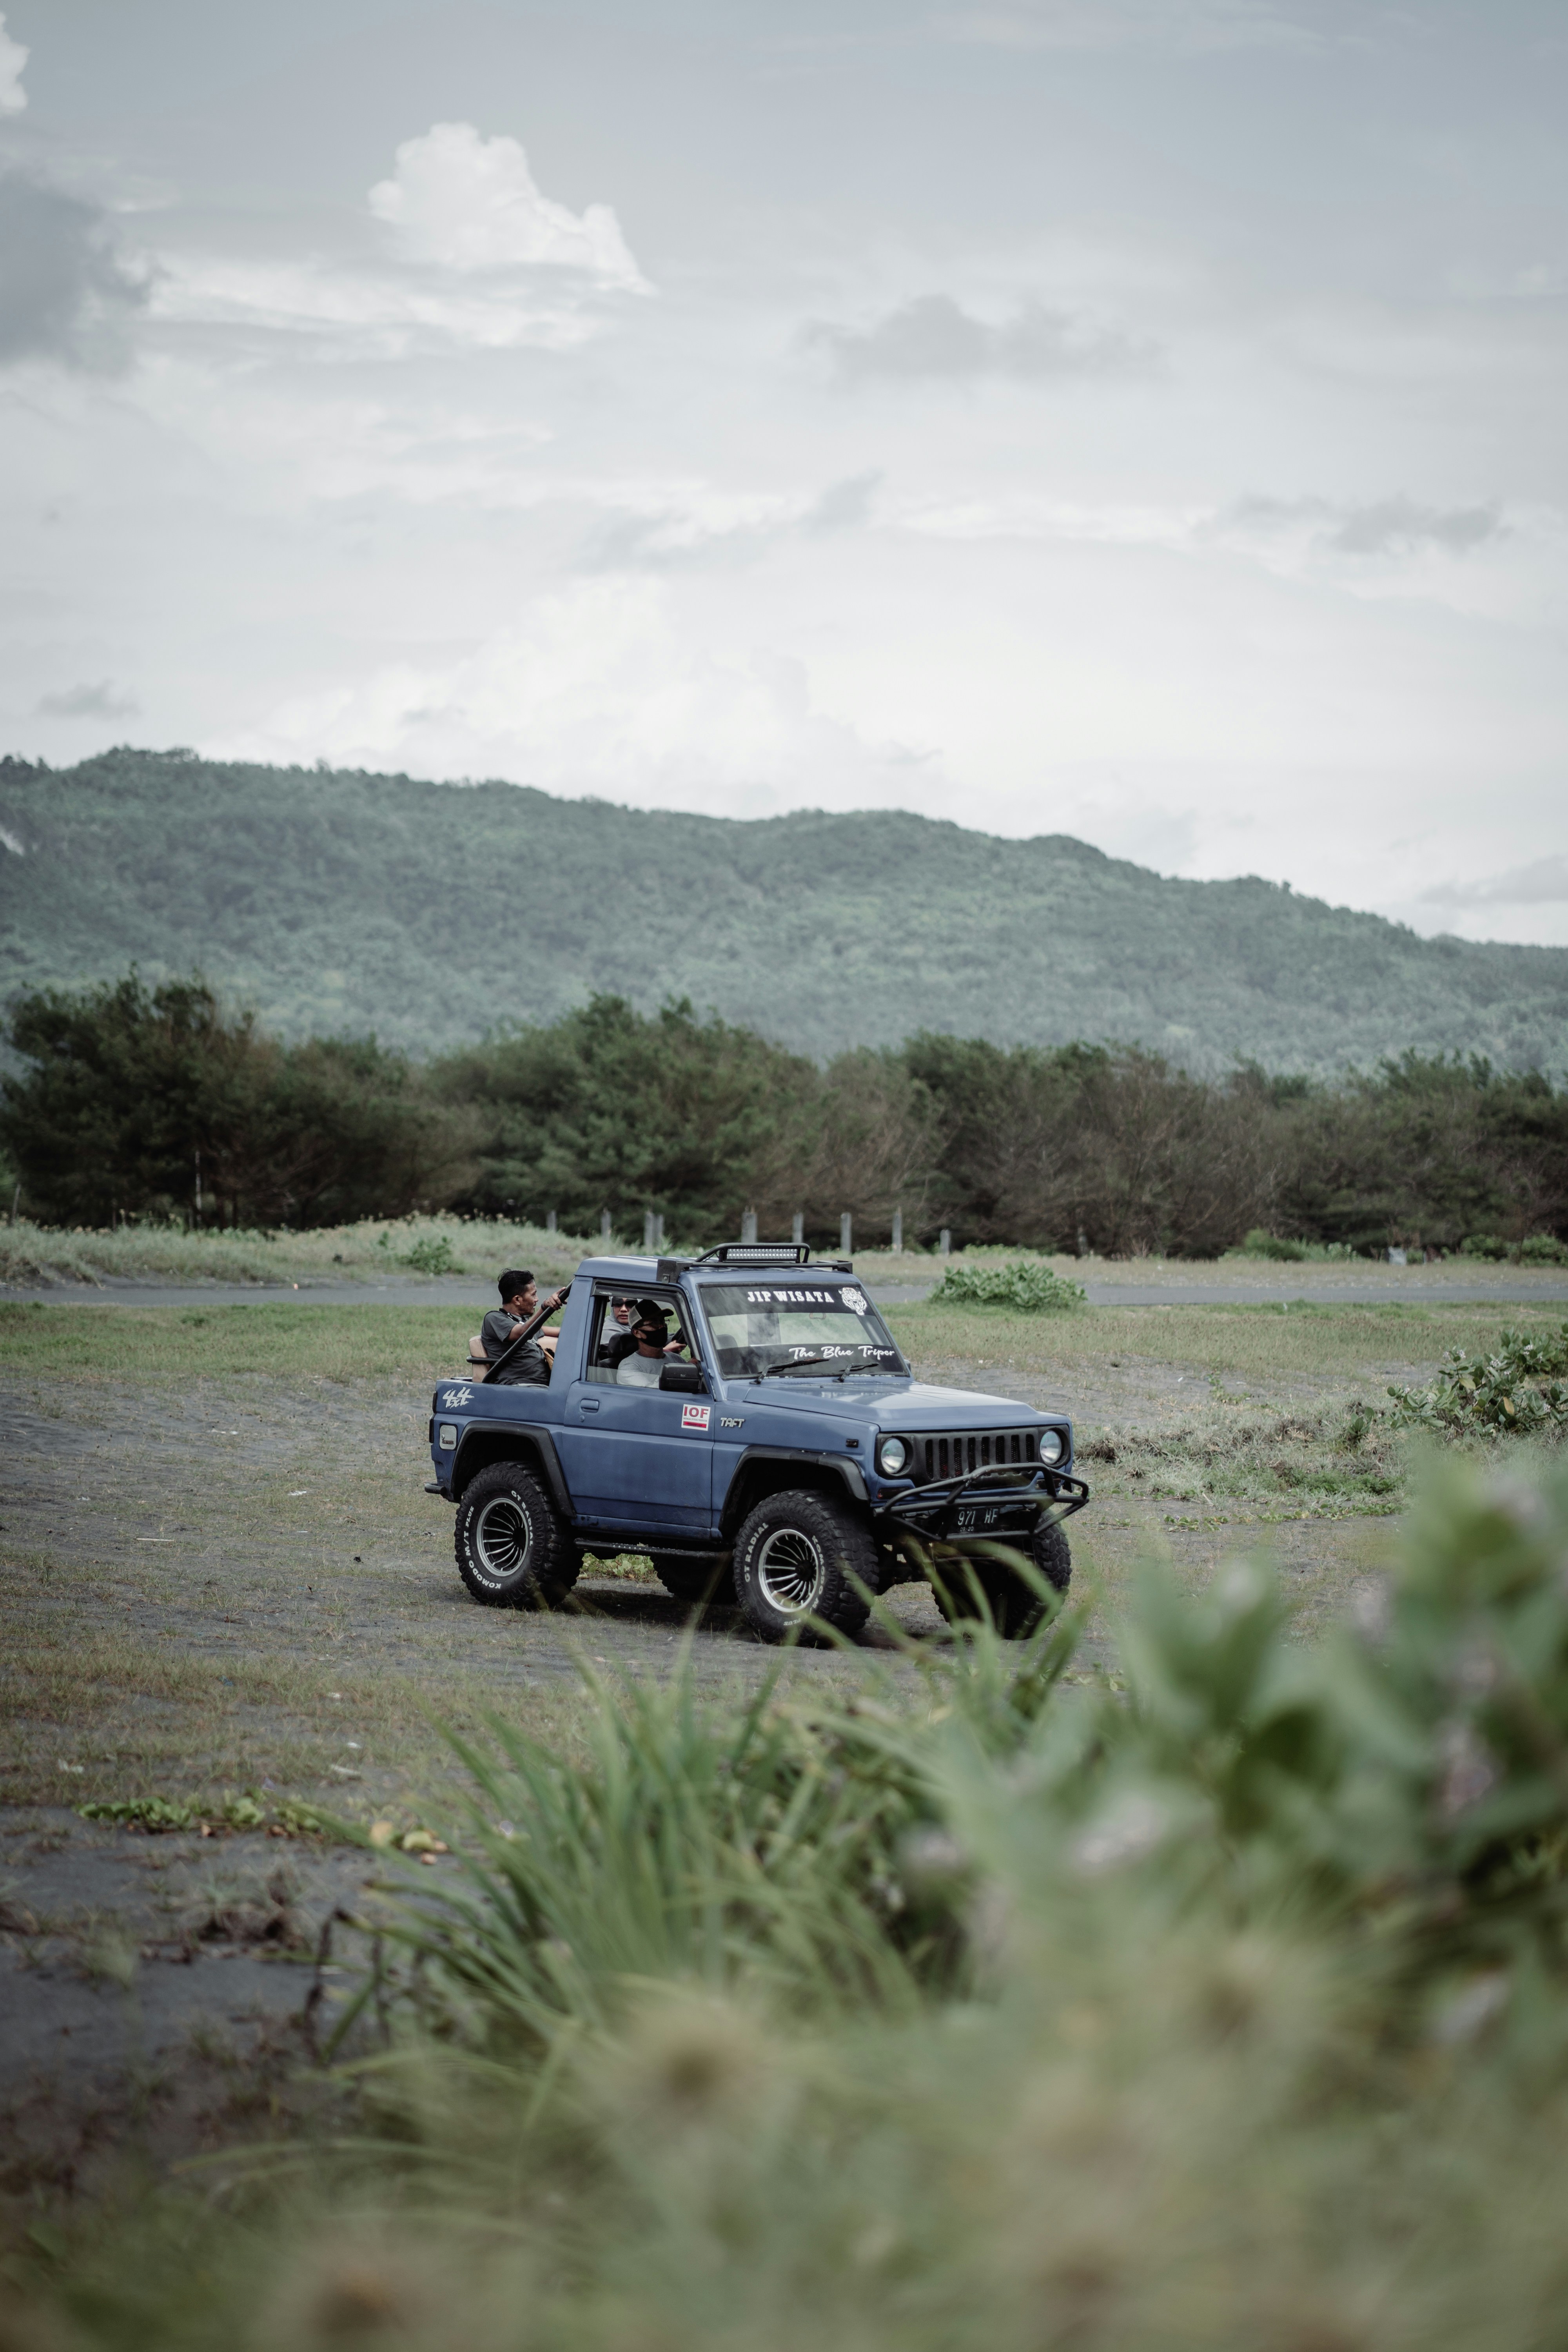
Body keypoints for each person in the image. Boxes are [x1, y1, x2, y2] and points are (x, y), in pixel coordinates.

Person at [482, 1269, 566, 1387]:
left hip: (545, 1386)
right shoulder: (494, 1319)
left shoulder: (526, 1323)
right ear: (517, 1300)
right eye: (533, 1295)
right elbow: (521, 1333)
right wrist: (545, 1307)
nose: (537, 1299)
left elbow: (563, 1332)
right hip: (520, 1385)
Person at [615, 1299, 682, 1387]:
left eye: (662, 1321)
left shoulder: (676, 1359)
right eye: (654, 1323)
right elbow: (650, 1394)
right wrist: (681, 1371)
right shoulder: (628, 1367)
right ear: (637, 1333)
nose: (662, 1326)